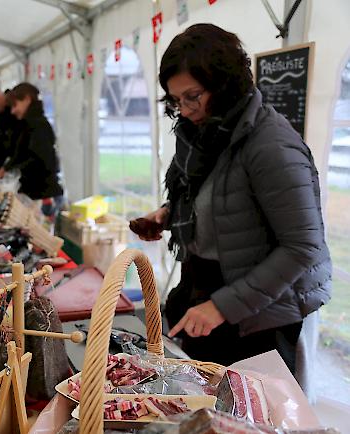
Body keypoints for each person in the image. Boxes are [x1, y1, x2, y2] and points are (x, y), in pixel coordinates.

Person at [131, 24, 331, 394]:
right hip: (206, 284)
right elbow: (213, 195)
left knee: (247, 410)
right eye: (176, 100)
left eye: (193, 96)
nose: (184, 110)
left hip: (259, 311)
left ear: (224, 84)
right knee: (198, 399)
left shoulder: (272, 146)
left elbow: (302, 247)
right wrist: (168, 213)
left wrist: (222, 307)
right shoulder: (204, 132)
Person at [6, 82, 64, 220]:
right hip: (38, 193)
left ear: (27, 99)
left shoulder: (37, 125)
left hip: (43, 195)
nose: (13, 111)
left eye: (15, 105)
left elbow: (40, 160)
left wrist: (11, 169)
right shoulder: (30, 124)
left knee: (41, 237)